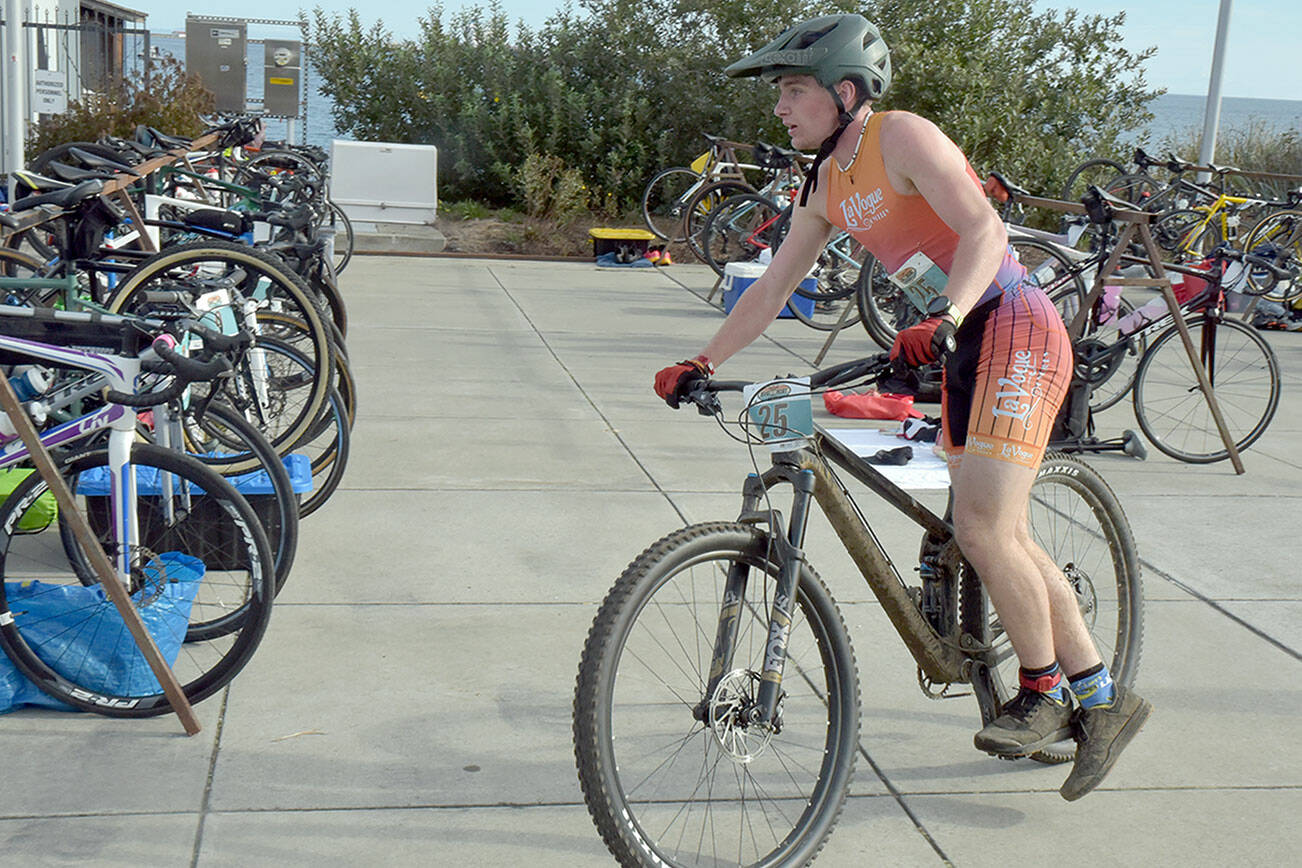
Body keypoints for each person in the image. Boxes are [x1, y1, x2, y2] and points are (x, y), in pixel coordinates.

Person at [652, 14, 1150, 802]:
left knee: (987, 529)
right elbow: (776, 284)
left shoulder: (901, 136)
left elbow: (984, 228)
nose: (780, 108)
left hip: (1010, 323)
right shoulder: (824, 183)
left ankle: (1045, 691)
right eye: (779, 93)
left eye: (793, 90)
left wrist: (949, 315)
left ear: (845, 93)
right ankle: (1102, 697)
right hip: (947, 338)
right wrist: (703, 361)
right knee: (1001, 533)